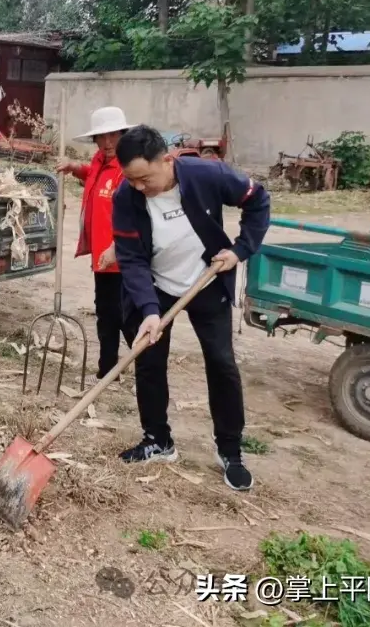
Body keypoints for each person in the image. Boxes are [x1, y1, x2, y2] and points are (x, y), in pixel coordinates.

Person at [111, 125, 270, 492]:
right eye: (130, 180)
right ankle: (158, 439)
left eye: (144, 178)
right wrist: (149, 310)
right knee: (148, 360)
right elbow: (132, 259)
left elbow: (257, 200)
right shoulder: (126, 196)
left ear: (166, 161)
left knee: (221, 362)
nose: (138, 186)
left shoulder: (206, 174)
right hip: (156, 284)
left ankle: (230, 450)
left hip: (207, 280)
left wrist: (240, 249)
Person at [55, 106, 137, 380]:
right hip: (102, 260)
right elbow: (93, 174)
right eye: (102, 137)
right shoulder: (101, 163)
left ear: (123, 135)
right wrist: (75, 167)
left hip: (122, 259)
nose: (108, 143)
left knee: (127, 318)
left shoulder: (128, 170)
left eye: (113, 136)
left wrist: (119, 249)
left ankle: (147, 365)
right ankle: (108, 369)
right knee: (106, 315)